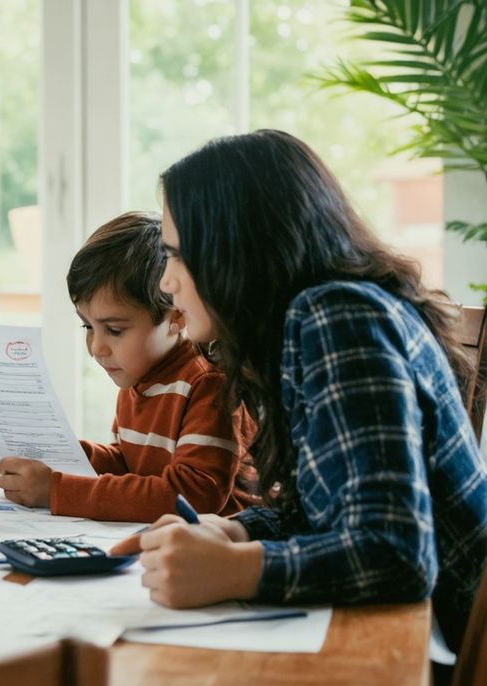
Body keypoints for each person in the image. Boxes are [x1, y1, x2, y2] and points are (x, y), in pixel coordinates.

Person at [111, 129, 487, 656]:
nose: (165, 283)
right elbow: (322, 512)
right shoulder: (315, 321)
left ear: (235, 248)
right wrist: (233, 533)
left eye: (176, 255)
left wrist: (234, 570)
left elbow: (396, 552)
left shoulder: (338, 317)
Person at [0, 211, 256, 522]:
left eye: (115, 330)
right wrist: (63, 455)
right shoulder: (138, 377)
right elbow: (129, 465)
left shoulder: (206, 385)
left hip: (223, 542)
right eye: (87, 327)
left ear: (176, 316)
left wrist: (58, 490)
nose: (96, 347)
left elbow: (194, 495)